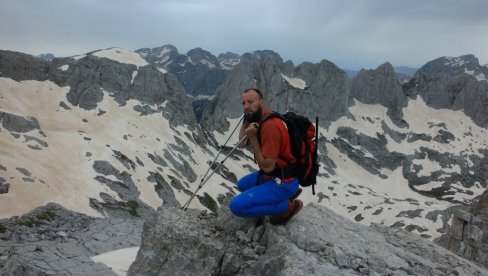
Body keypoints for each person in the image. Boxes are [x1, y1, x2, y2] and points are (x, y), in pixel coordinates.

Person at [229, 88, 303, 225]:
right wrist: (246, 120)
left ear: (261, 102)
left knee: (236, 207)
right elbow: (242, 143)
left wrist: (254, 138)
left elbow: (268, 167)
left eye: (250, 102)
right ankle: (278, 197)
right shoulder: (260, 118)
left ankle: (288, 206)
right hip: (271, 176)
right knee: (242, 185)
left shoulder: (271, 127)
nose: (246, 106)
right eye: (243, 103)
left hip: (283, 180)